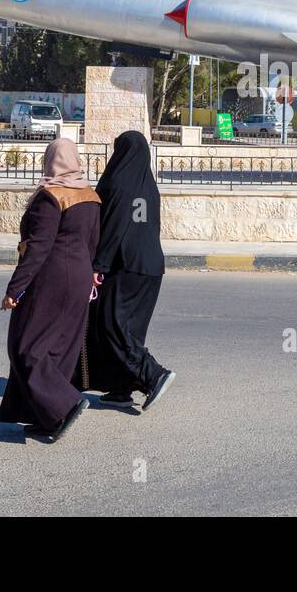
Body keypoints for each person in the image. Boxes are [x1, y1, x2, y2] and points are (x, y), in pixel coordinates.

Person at [0, 138, 101, 442]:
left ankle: (64, 403)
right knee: (57, 348)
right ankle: (46, 418)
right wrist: (92, 272)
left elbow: (38, 248)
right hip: (80, 277)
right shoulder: (90, 195)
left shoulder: (50, 196)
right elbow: (94, 241)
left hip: (52, 278)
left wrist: (14, 289)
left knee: (25, 345)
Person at [77, 130, 176, 412]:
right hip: (151, 267)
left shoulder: (120, 183)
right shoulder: (147, 185)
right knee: (130, 329)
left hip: (126, 266)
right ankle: (121, 387)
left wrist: (99, 265)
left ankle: (153, 374)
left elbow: (114, 227)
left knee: (111, 325)